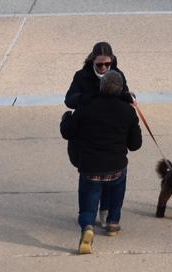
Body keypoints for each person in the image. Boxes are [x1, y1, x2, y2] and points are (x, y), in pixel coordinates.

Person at [60, 69, 142, 253]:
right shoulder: (128, 111)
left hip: (90, 167)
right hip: (116, 167)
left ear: (101, 87)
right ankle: (113, 223)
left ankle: (87, 228)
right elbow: (135, 144)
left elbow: (68, 132)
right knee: (116, 194)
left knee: (88, 206)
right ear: (120, 89)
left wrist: (66, 118)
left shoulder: (86, 108)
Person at [65, 42, 132, 109]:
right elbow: (69, 101)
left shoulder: (118, 75)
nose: (103, 67)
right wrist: (89, 96)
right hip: (88, 115)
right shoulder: (81, 76)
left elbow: (126, 99)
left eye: (107, 64)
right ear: (93, 60)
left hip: (111, 115)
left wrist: (128, 97)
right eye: (99, 64)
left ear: (111, 60)